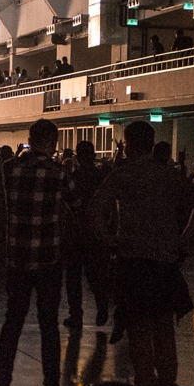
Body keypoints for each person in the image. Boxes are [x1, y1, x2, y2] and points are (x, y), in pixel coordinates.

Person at [92, 120, 194, 386]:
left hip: (133, 261)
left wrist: (109, 239)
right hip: (165, 263)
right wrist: (183, 240)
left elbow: (97, 211)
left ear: (129, 145)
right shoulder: (171, 176)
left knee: (139, 329)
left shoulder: (122, 175)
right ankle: (167, 385)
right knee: (164, 327)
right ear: (153, 144)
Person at [0, 118, 73, 386]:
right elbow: (75, 204)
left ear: (29, 138)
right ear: (52, 143)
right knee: (49, 326)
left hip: (17, 259)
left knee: (12, 322)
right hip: (49, 258)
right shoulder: (60, 173)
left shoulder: (9, 169)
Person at [63, 140, 111, 330]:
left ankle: (76, 315)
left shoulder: (73, 177)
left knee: (73, 277)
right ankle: (102, 306)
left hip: (75, 232)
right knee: (95, 275)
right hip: (96, 232)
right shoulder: (101, 177)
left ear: (77, 156)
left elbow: (68, 202)